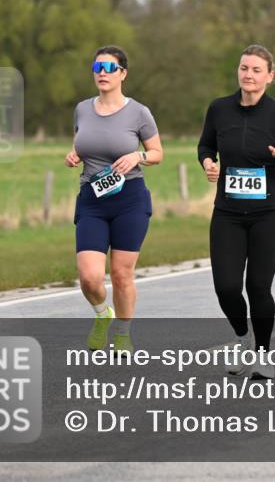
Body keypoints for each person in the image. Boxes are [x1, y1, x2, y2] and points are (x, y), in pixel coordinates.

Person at [198, 44, 275, 380]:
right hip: (228, 213)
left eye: (257, 70)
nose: (249, 74)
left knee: (258, 286)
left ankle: (262, 355)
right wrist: (207, 162)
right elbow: (205, 145)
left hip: (269, 213)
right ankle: (242, 339)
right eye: (244, 68)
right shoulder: (219, 109)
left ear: (269, 77)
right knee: (226, 287)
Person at [67, 46, 163, 354]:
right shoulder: (82, 109)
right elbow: (82, 144)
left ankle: (123, 333)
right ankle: (102, 314)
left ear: (123, 73)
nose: (103, 73)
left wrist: (138, 155)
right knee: (89, 277)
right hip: (92, 200)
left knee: (121, 274)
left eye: (109, 67)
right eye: (97, 67)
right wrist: (73, 155)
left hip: (129, 199)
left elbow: (158, 153)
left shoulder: (139, 112)